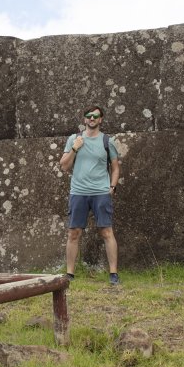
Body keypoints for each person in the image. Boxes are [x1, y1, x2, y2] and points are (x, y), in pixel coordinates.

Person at [59, 104, 121, 285]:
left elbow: (115, 167)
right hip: (78, 192)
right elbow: (64, 166)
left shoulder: (107, 142)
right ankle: (69, 274)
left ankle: (113, 274)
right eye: (89, 116)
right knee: (73, 233)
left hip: (101, 193)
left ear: (101, 119)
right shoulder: (74, 139)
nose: (92, 118)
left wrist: (112, 186)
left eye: (95, 116)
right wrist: (75, 148)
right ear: (84, 119)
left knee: (107, 231)